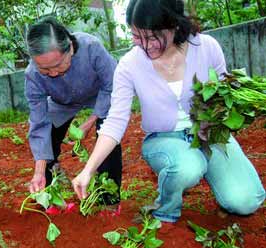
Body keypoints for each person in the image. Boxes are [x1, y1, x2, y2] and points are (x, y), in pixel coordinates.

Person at [72, 0, 265, 223]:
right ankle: (165, 210)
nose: (145, 45)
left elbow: (224, 92)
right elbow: (115, 121)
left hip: (209, 135)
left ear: (174, 25)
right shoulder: (129, 65)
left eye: (153, 37)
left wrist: (215, 120)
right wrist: (89, 169)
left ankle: (216, 177)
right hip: (164, 138)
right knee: (187, 167)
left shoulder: (206, 47)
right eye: (137, 36)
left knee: (246, 201)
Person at [24, 17, 122, 207]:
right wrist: (38, 170)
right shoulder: (32, 75)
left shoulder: (91, 47)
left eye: (58, 65)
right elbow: (39, 123)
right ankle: (50, 188)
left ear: (69, 47)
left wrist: (92, 119)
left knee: (108, 135)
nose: (53, 73)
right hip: (63, 102)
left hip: (100, 95)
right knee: (48, 136)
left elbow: (112, 85)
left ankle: (108, 199)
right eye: (44, 69)